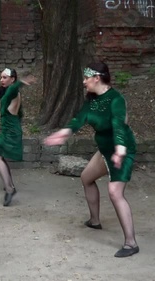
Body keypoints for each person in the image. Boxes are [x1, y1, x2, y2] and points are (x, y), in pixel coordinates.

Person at [43, 62, 139, 258]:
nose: (83, 81)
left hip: (122, 151)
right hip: (105, 150)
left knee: (114, 192)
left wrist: (120, 149)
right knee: (86, 177)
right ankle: (95, 221)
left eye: (86, 78)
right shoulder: (92, 101)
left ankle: (131, 243)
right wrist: (64, 133)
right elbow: (79, 119)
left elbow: (119, 125)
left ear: (97, 77)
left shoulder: (116, 99)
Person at [0, 68, 36, 206]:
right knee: (0, 157)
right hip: (8, 130)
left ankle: (10, 189)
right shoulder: (11, 92)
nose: (1, 80)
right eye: (1, 77)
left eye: (5, 77)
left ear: (12, 79)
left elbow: (13, 89)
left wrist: (22, 81)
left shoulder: (13, 90)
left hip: (10, 132)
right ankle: (9, 186)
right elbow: (19, 113)